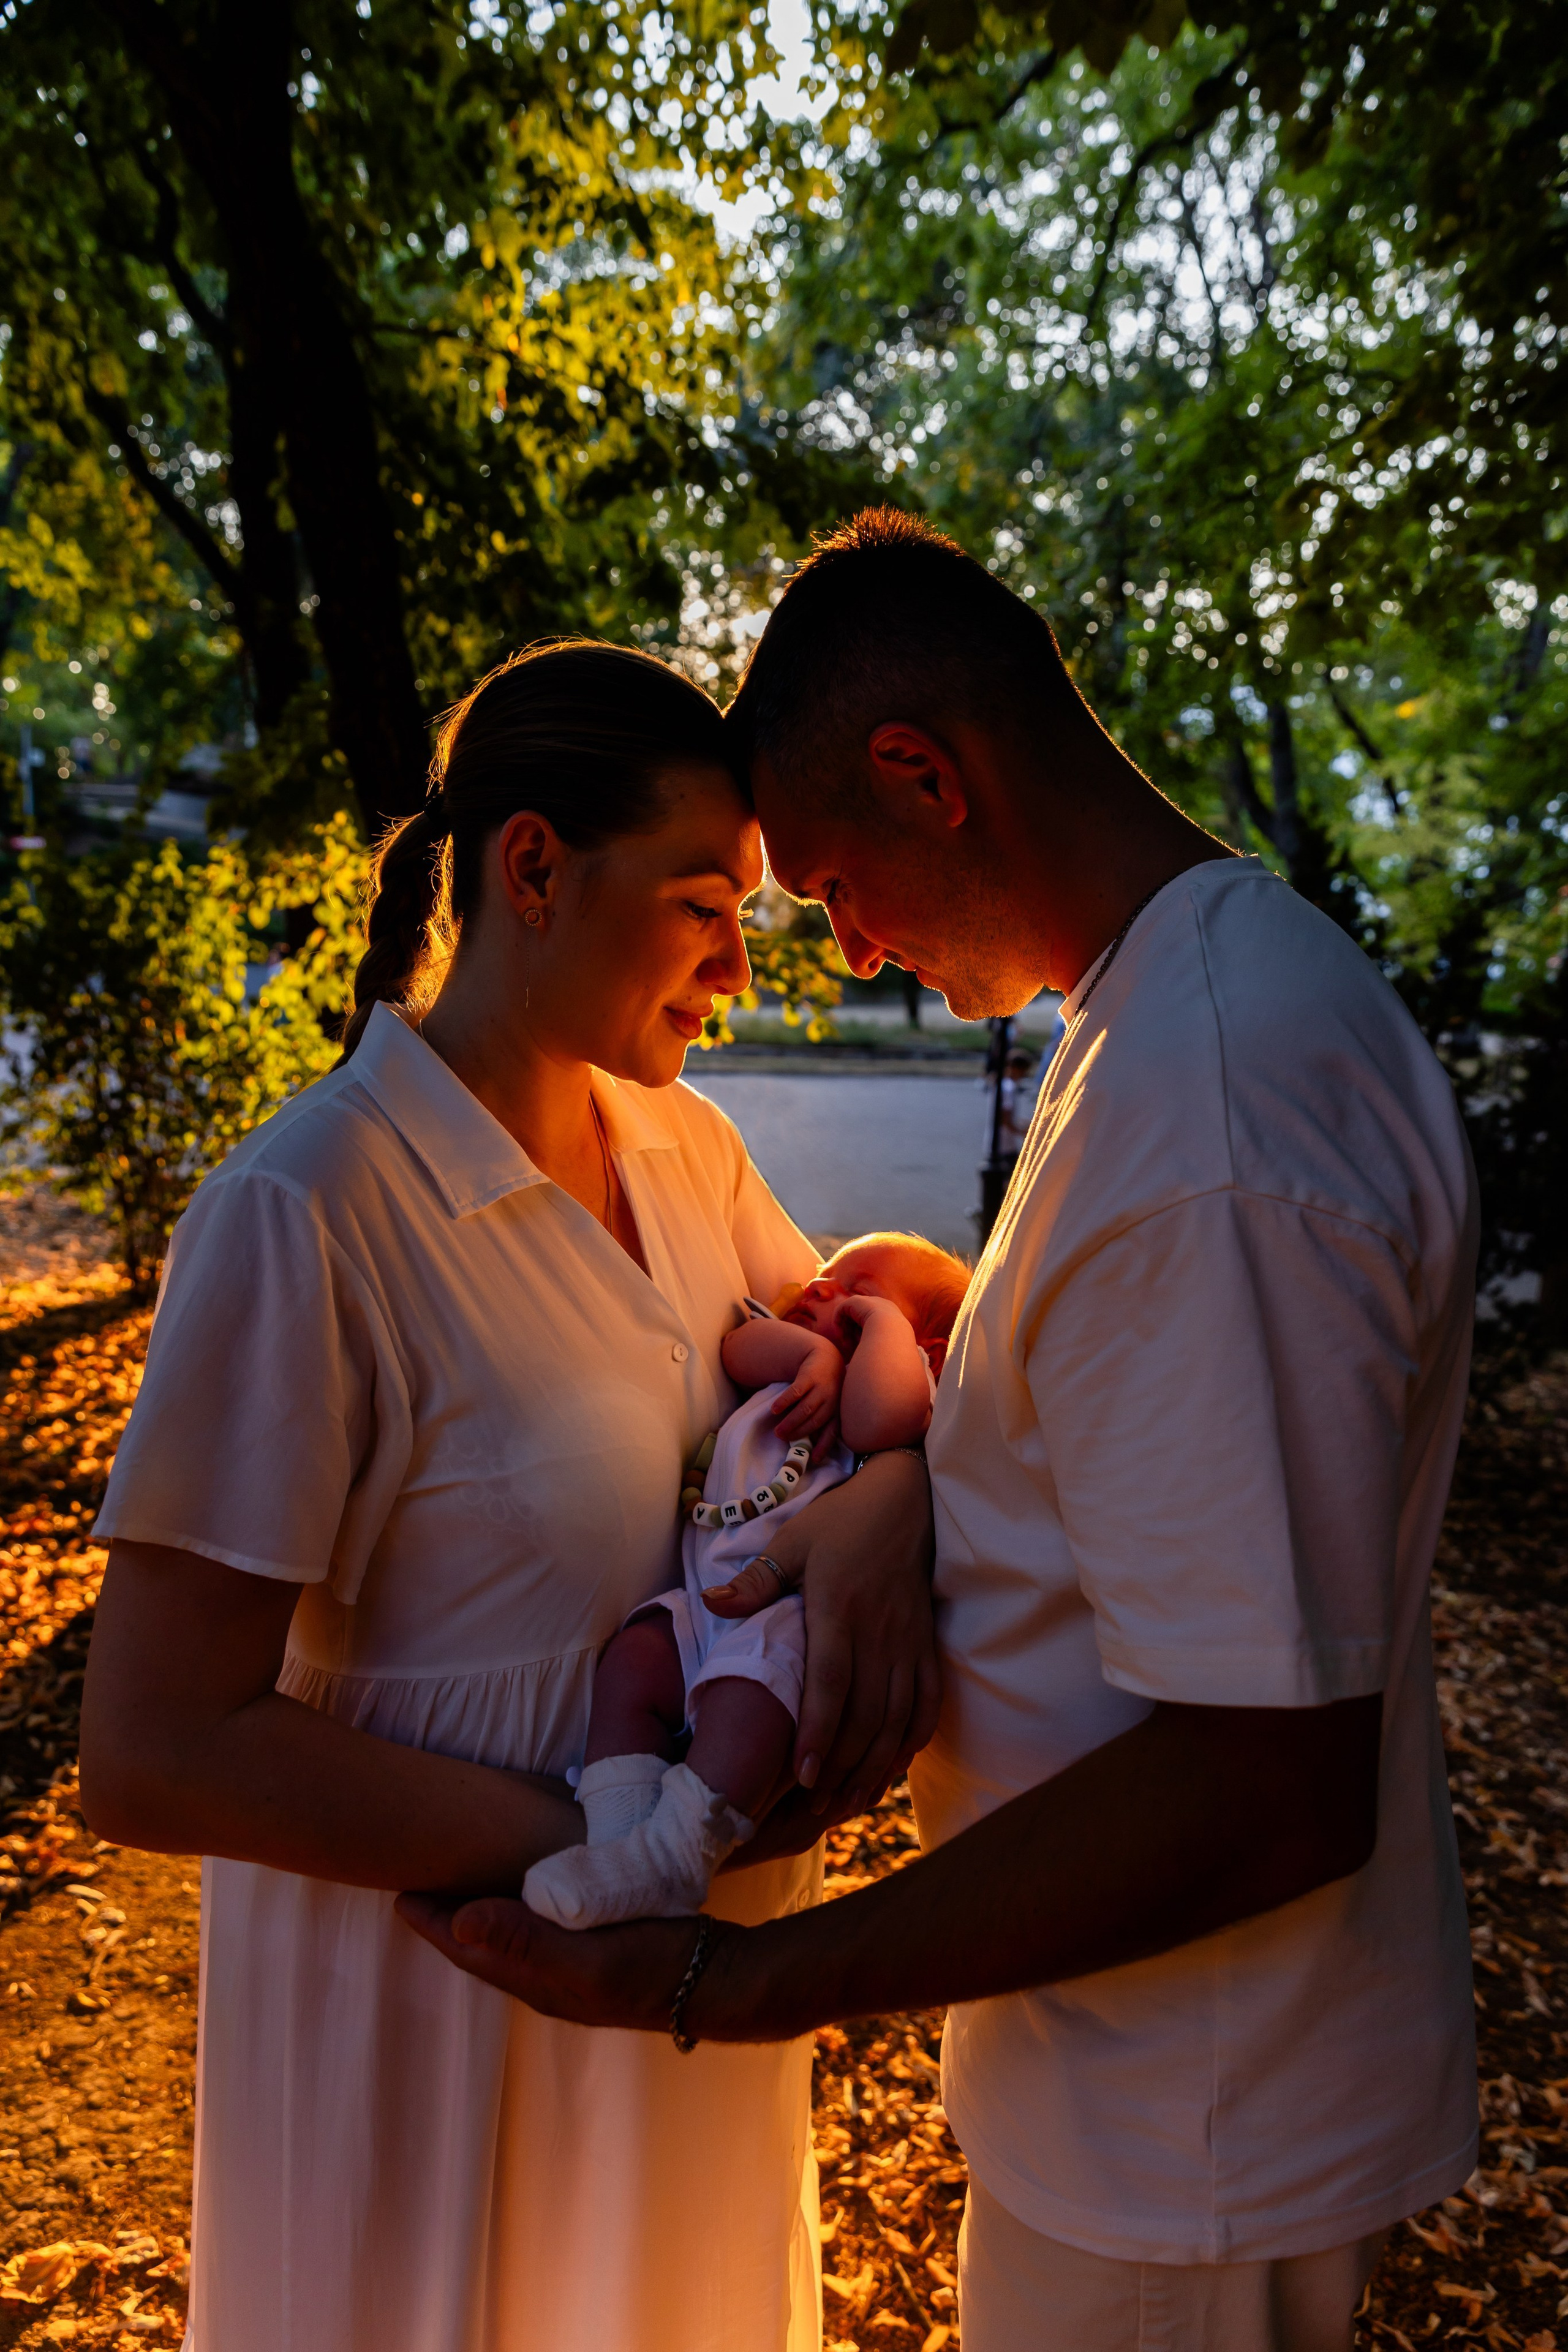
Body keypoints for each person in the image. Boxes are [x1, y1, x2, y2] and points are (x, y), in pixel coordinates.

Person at [401, 514, 1480, 2352]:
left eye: (826, 884)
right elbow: (1150, 1396)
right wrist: (931, 1358)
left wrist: (730, 1981)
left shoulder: (1209, 1108)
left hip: (1183, 2135)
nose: (846, 941)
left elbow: (1259, 1782)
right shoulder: (1181, 1004)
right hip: (1139, 2091)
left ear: (926, 775)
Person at [78, 639, 937, 2352]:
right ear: (533, 866)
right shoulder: (310, 1211)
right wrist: (602, 1866)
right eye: (705, 903)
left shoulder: (686, 1154)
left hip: (672, 2009)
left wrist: (888, 1494)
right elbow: (152, 1746)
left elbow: (867, 1361)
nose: (742, 969)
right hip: (439, 2019)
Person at [524, 1233, 968, 1930]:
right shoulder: (789, 1360)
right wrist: (816, 1350)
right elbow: (737, 1349)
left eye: (863, 1290)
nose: (824, 1288)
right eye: (828, 1274)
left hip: (791, 1611)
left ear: (928, 1350)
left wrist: (881, 1334)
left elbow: (879, 1423)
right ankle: (618, 1845)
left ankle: (673, 1857)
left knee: (749, 1700)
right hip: (706, 1598)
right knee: (634, 1662)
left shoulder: (901, 1387)